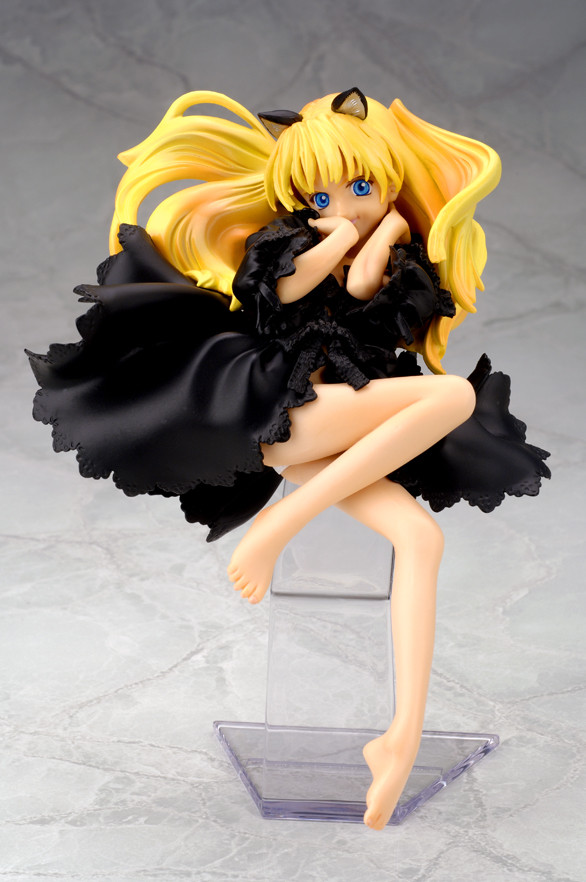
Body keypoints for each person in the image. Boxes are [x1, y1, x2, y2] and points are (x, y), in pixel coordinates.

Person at [28, 88, 550, 829]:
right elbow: (292, 286)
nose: (344, 205)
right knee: (453, 398)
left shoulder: (397, 258)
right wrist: (338, 229)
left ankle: (400, 737)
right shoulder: (288, 241)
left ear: (389, 182)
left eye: (362, 186)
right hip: (285, 407)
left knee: (419, 538)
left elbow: (367, 291)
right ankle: (279, 526)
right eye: (322, 193)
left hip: (344, 432)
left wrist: (382, 230)